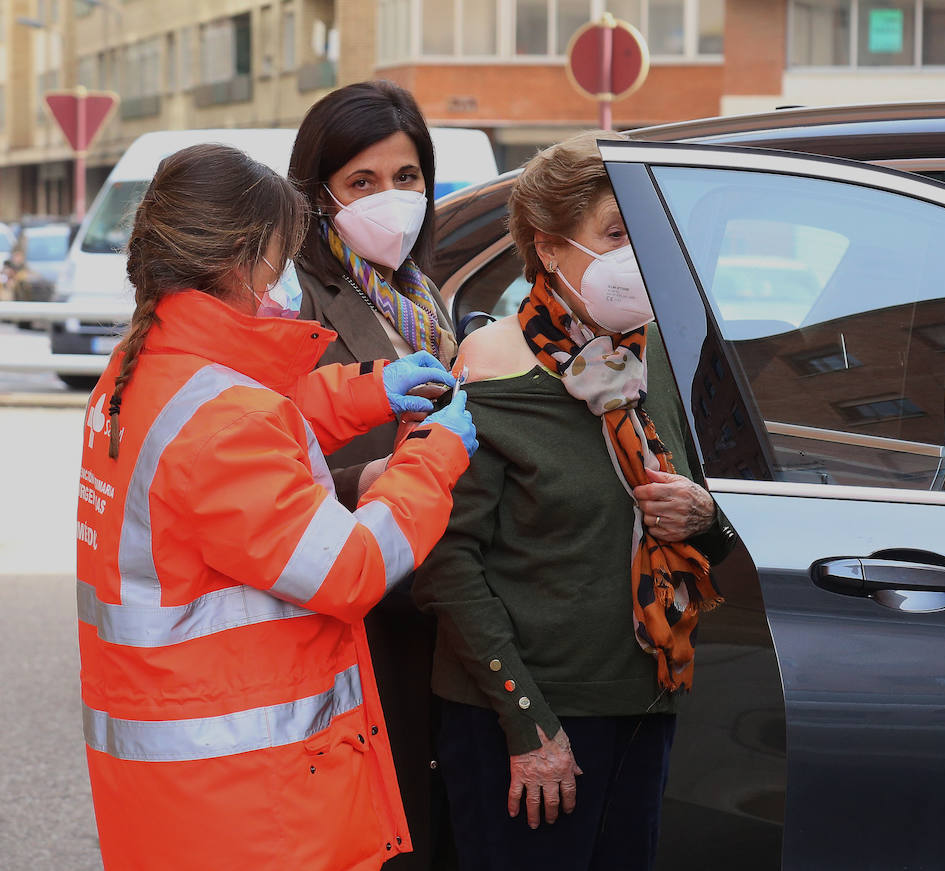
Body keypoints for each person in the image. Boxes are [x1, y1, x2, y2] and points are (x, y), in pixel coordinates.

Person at [75, 143, 479, 870]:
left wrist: (365, 390)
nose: (284, 275)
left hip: (179, 787)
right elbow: (351, 568)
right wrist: (433, 457)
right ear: (239, 260)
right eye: (278, 256)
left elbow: (250, 446)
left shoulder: (140, 375)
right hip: (251, 803)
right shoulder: (221, 421)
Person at [412, 130, 737, 870]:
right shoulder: (492, 369)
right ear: (550, 248)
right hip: (527, 720)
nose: (638, 255)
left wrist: (703, 518)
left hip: (642, 703)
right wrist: (528, 725)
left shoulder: (654, 358)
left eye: (644, 235)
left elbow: (713, 527)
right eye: (617, 234)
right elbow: (447, 563)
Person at [288, 80, 460, 870]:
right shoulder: (294, 303)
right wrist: (373, 476)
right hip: (357, 608)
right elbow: (273, 457)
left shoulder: (428, 297)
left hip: (442, 597)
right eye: (363, 182)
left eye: (407, 178)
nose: (392, 199)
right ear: (318, 195)